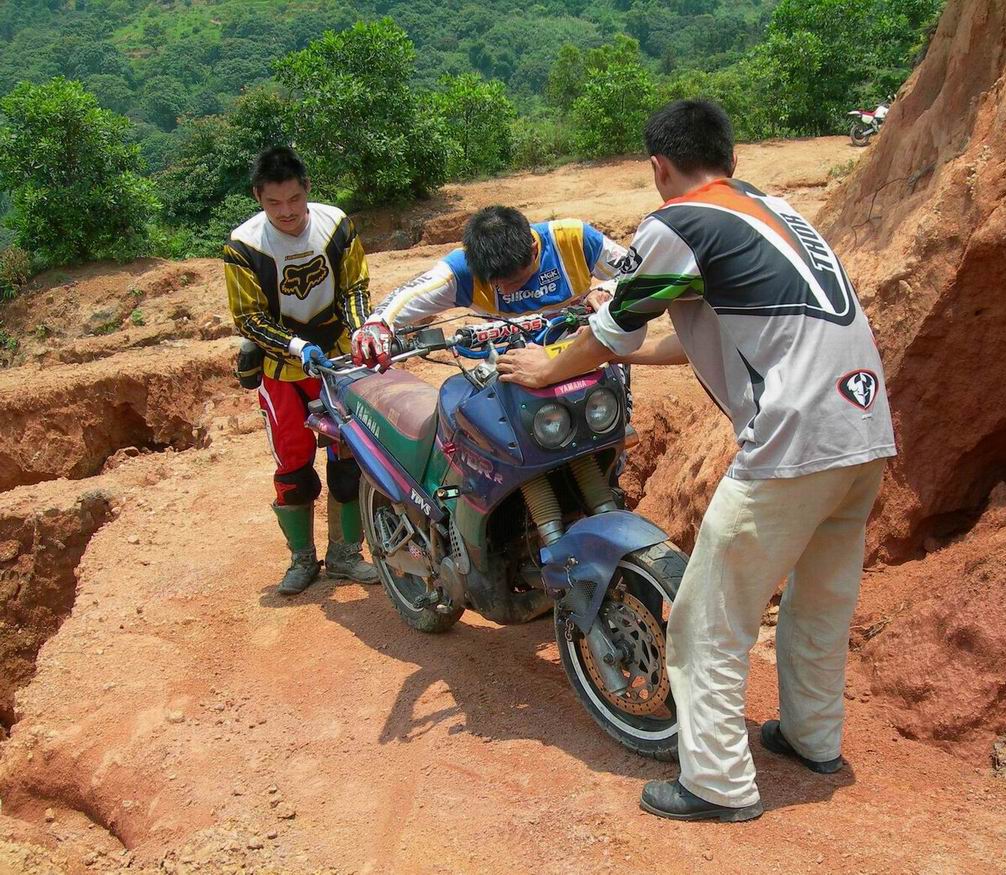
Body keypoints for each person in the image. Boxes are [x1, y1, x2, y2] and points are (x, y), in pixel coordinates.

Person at [496, 100, 896, 822]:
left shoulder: (678, 221)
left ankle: (716, 783)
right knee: (821, 599)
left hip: (792, 438)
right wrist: (634, 346)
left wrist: (547, 368)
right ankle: (812, 739)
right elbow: (721, 323)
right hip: (863, 426)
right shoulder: (771, 211)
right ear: (731, 156)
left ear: (659, 167)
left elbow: (612, 328)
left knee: (708, 616)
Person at [225, 145, 379, 595]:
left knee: (347, 456)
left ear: (306, 189)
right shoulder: (244, 246)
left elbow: (355, 287)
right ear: (258, 197)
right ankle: (302, 558)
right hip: (280, 368)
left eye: (293, 199)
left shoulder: (336, 225)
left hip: (336, 360)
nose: (286, 212)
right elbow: (248, 319)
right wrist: (295, 346)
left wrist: (361, 329)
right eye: (274, 203)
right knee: (293, 464)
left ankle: (347, 554)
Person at [350, 206, 630, 365]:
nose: (505, 291)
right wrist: (377, 323)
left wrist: (606, 289)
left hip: (582, 350)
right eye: (494, 283)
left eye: (515, 281)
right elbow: (409, 294)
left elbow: (638, 272)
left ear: (533, 250)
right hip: (509, 365)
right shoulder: (462, 269)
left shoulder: (573, 239)